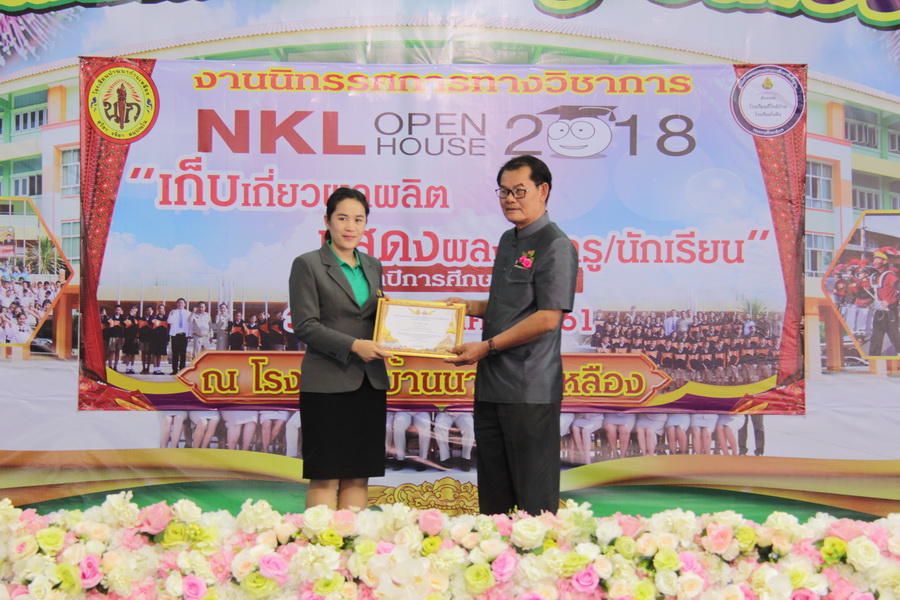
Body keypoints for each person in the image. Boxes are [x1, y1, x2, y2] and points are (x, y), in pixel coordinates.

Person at [446, 155, 578, 516]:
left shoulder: (556, 245)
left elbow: (547, 318)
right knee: (494, 496)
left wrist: (486, 347)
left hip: (528, 389)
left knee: (534, 499)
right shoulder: (509, 240)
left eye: (519, 191)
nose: (509, 199)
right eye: (504, 191)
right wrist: (469, 307)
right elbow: (510, 305)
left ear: (543, 190)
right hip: (492, 386)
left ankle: (536, 554)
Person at [289, 187, 391, 510]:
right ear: (327, 221)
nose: (350, 227)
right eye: (343, 218)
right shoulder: (308, 264)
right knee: (325, 475)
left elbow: (375, 317)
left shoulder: (372, 265)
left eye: (358, 220)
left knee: (359, 476)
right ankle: (321, 541)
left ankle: (353, 540)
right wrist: (354, 346)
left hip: (370, 382)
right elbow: (305, 325)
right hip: (327, 384)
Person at [867, 246, 900, 356]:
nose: (874, 262)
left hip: (890, 312)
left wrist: (890, 301)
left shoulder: (890, 276)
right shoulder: (875, 276)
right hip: (879, 312)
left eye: (877, 259)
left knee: (895, 338)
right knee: (875, 339)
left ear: (884, 261)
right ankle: (873, 360)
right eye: (874, 259)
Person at [167, 298, 191, 374]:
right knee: (175, 353)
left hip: (184, 335)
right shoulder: (173, 312)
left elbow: (190, 325)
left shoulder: (188, 313)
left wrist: (189, 335)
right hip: (175, 335)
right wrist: (171, 314)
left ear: (185, 304)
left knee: (183, 353)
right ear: (177, 304)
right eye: (179, 303)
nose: (180, 304)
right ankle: (174, 370)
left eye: (182, 303)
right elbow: (169, 321)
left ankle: (182, 369)